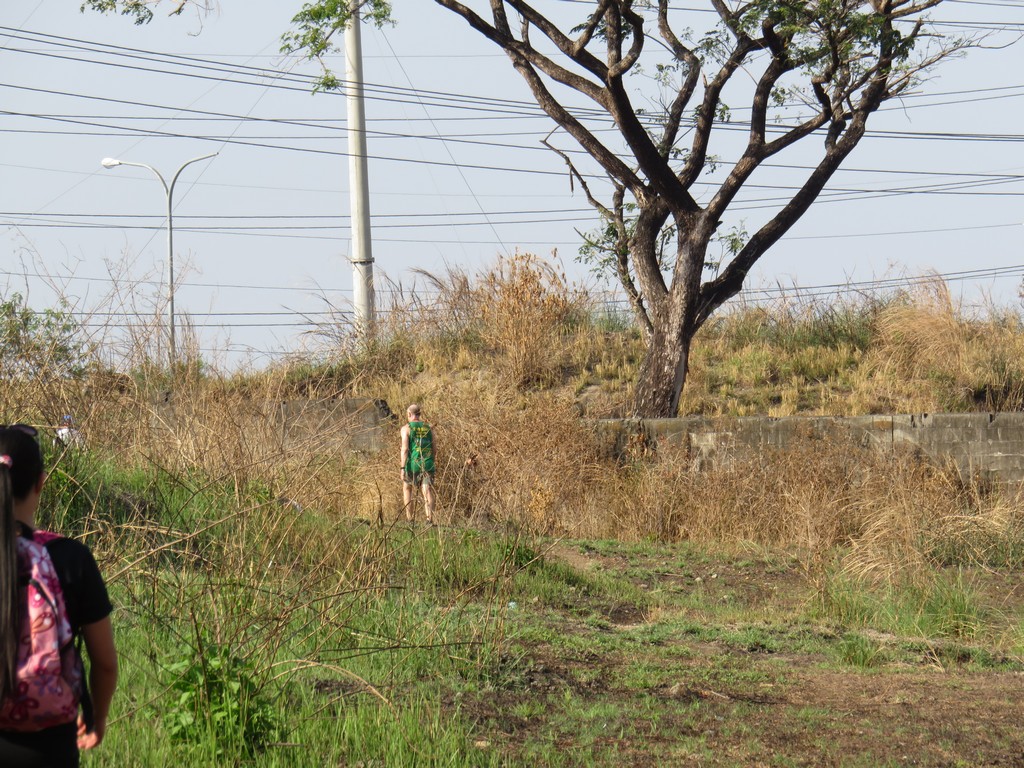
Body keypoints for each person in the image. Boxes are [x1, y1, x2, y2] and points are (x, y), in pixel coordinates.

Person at [0, 424, 117, 767]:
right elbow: (105, 663)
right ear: (41, 482)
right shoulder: (71, 559)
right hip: (48, 748)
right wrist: (97, 717)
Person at [400, 404, 436, 525]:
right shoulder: (429, 427)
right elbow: (434, 447)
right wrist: (431, 460)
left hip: (412, 464)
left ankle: (410, 519)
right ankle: (429, 519)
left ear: (409, 414)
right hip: (428, 463)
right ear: (419, 414)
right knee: (427, 490)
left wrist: (402, 467)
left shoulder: (406, 428)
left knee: (407, 488)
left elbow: (405, 449)